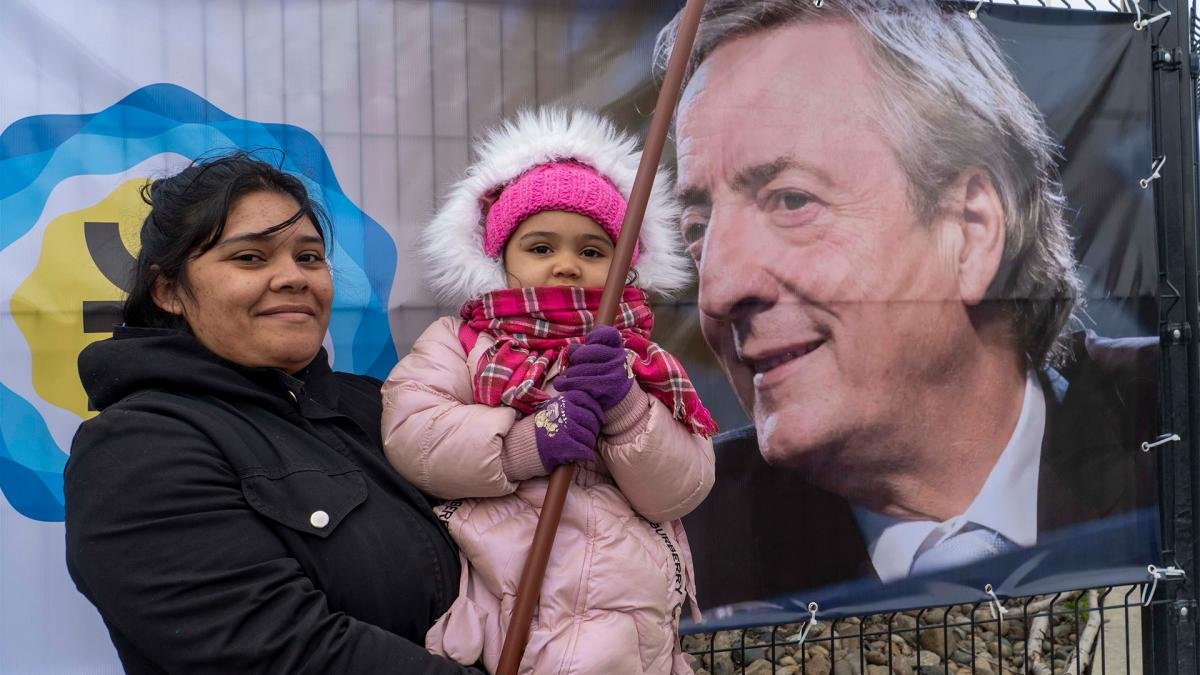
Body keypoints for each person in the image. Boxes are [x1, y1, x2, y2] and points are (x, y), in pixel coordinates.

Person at [653, 0, 1159, 607]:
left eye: (791, 201)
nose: (719, 288)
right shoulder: (667, 552)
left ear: (968, 231)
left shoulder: (1171, 423)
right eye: (698, 229)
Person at [64, 152, 481, 673]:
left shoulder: (379, 402)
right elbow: (286, 655)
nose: (293, 277)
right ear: (168, 291)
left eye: (308, 257)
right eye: (250, 259)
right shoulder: (135, 450)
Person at [381, 107, 716, 674]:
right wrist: (528, 442)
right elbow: (413, 436)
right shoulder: (465, 341)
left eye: (592, 251)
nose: (566, 266)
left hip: (631, 621)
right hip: (510, 607)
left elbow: (680, 489)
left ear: (623, 266)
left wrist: (627, 408)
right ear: (500, 255)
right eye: (540, 248)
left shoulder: (640, 358)